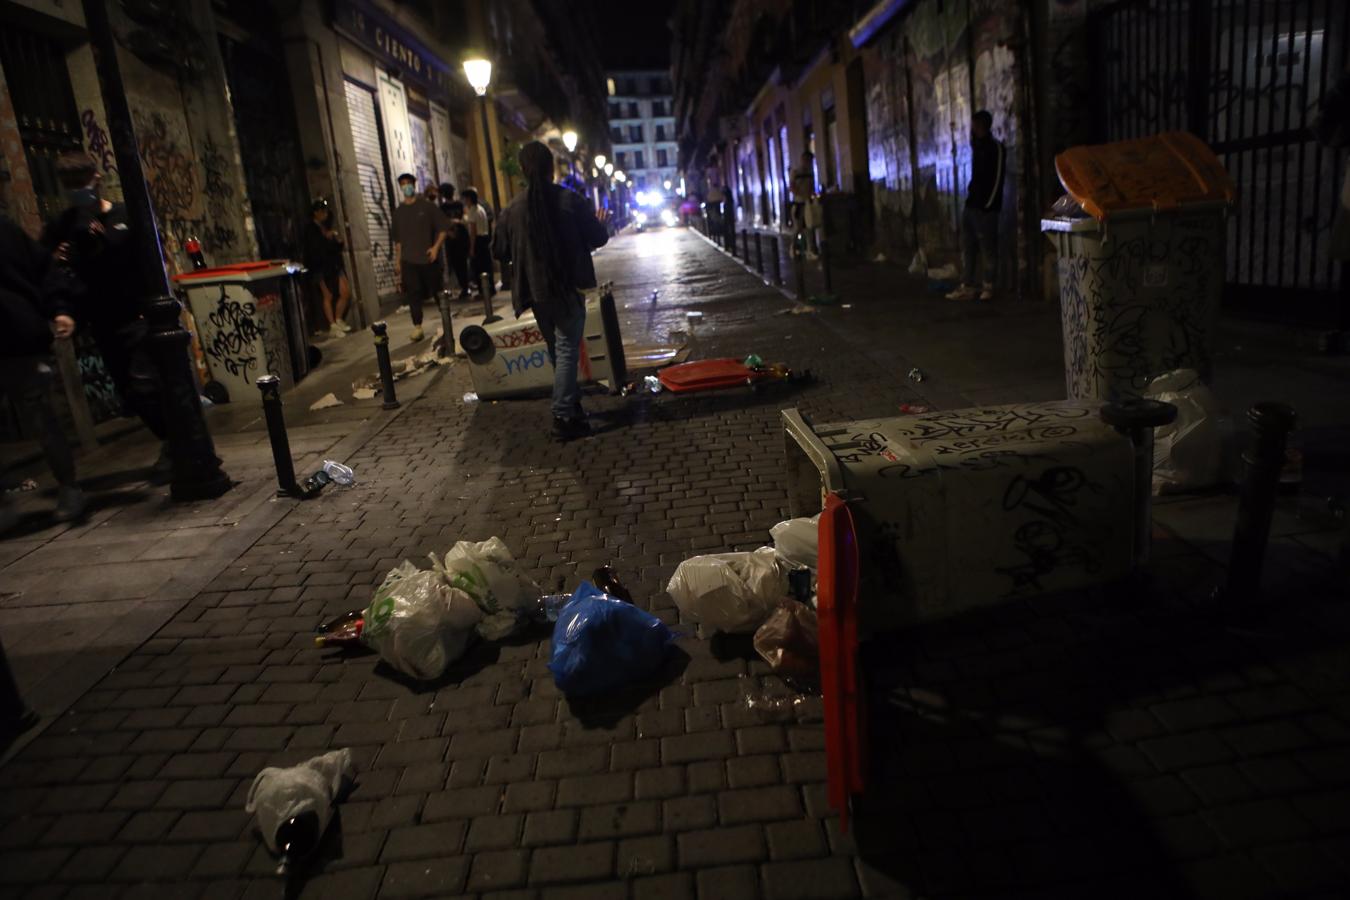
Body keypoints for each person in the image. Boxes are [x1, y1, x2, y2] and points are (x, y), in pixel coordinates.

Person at [43, 151, 172, 480]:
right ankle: (173, 440)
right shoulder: (62, 227)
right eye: (70, 184)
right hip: (102, 321)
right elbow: (49, 273)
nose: (77, 190)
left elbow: (150, 256)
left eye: (81, 182)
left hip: (139, 314)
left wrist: (109, 241)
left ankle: (176, 443)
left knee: (146, 384)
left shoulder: (124, 215)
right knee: (130, 392)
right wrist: (61, 299)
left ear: (96, 180)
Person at [493, 141, 609, 441]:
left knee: (558, 350)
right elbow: (597, 238)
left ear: (522, 169)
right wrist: (599, 224)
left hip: (534, 292)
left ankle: (572, 409)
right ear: (551, 168)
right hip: (567, 287)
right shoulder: (570, 201)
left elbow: (499, 251)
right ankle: (561, 414)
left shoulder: (511, 210)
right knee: (567, 348)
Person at [1, 212, 86, 529]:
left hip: (17, 336)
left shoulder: (5, 230)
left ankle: (69, 488)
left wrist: (60, 309)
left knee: (41, 417)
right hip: (18, 333)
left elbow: (44, 269)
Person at [947, 110, 1006, 302]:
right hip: (972, 205)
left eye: (974, 124)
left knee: (988, 248)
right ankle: (968, 286)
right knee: (969, 247)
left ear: (981, 125)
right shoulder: (977, 147)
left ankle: (988, 285)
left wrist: (988, 205)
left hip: (985, 209)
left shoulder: (995, 148)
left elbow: (997, 178)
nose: (972, 128)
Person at [390, 172, 448, 342]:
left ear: (414, 185)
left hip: (428, 258)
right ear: (400, 187)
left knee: (437, 290)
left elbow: (443, 228)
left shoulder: (427, 207)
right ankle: (417, 326)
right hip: (409, 260)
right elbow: (398, 242)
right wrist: (398, 262)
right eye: (403, 184)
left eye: (409, 183)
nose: (406, 186)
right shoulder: (398, 213)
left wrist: (436, 248)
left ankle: (446, 320)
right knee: (413, 294)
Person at [302, 199, 351, 337]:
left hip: (333, 265)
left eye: (325, 211)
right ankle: (332, 325)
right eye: (322, 211)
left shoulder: (325, 226)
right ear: (315, 213)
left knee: (345, 292)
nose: (325, 214)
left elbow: (332, 248)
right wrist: (326, 239)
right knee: (327, 295)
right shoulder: (311, 230)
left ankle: (338, 318)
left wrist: (337, 242)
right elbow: (314, 251)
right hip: (319, 268)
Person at [438, 182, 470, 299]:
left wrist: (458, 222)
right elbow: (441, 223)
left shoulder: (459, 205)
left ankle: (465, 286)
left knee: (461, 263)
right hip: (451, 238)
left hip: (461, 236)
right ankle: (462, 286)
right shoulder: (442, 208)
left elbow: (466, 218)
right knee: (455, 263)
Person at [461, 187, 494, 298]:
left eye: (465, 199)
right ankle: (491, 288)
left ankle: (483, 291)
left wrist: (471, 248)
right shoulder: (480, 209)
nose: (464, 201)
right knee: (487, 265)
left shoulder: (473, 211)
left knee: (479, 267)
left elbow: (473, 231)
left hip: (478, 240)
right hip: (484, 238)